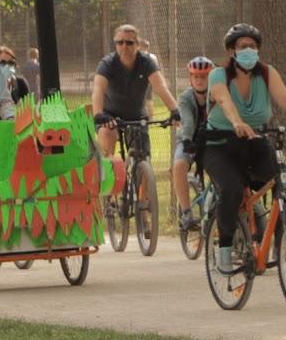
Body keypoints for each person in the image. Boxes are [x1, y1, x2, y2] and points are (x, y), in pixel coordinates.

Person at [204, 24, 286, 273]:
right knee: (233, 190)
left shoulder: (266, 73)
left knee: (282, 183)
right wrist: (236, 122)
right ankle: (224, 249)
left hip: (253, 140)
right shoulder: (218, 75)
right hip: (219, 146)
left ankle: (278, 246)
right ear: (231, 51)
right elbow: (223, 100)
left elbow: (285, 98)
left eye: (253, 46)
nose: (249, 50)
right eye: (243, 46)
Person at [91, 23, 177, 166]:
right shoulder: (107, 63)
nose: (124, 46)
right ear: (116, 45)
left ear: (137, 45)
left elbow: (160, 87)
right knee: (106, 134)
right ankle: (108, 180)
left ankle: (141, 178)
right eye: (119, 42)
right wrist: (99, 114)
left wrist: (174, 110)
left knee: (143, 160)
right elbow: (98, 90)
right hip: (109, 116)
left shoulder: (146, 62)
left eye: (129, 42)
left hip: (137, 117)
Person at [171, 56, 216, 230]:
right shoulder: (185, 98)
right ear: (190, 78)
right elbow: (187, 122)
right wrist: (188, 140)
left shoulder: (217, 95)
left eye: (203, 77)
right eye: (195, 77)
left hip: (213, 140)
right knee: (180, 164)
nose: (199, 80)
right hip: (190, 140)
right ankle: (186, 212)